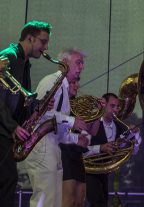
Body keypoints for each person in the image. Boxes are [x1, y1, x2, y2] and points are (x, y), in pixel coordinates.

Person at [24, 48, 89, 207]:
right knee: (45, 200)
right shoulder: (51, 81)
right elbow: (41, 113)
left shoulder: (63, 87)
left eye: (82, 64)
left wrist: (75, 138)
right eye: (78, 62)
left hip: (52, 146)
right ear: (64, 63)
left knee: (53, 201)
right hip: (42, 145)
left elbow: (55, 127)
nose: (81, 67)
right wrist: (72, 121)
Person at [0, 21, 52, 207]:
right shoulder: (9, 57)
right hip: (3, 130)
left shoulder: (24, 62)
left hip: (6, 132)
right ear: (30, 38)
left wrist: (40, 105)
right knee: (7, 181)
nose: (46, 47)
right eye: (43, 41)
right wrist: (13, 127)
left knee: (7, 182)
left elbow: (22, 101)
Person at [85, 93, 142, 207]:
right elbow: (82, 150)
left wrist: (135, 135)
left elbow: (134, 151)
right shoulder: (92, 123)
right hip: (89, 172)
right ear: (103, 105)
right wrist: (101, 148)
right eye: (112, 106)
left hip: (106, 173)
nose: (116, 110)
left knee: (103, 202)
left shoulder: (120, 126)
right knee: (97, 202)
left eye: (117, 107)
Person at [60, 77, 90, 207]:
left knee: (79, 201)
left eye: (77, 83)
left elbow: (89, 131)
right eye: (72, 83)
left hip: (78, 156)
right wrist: (76, 138)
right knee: (68, 201)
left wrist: (85, 137)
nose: (76, 86)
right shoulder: (61, 103)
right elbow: (57, 129)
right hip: (65, 154)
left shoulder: (79, 106)